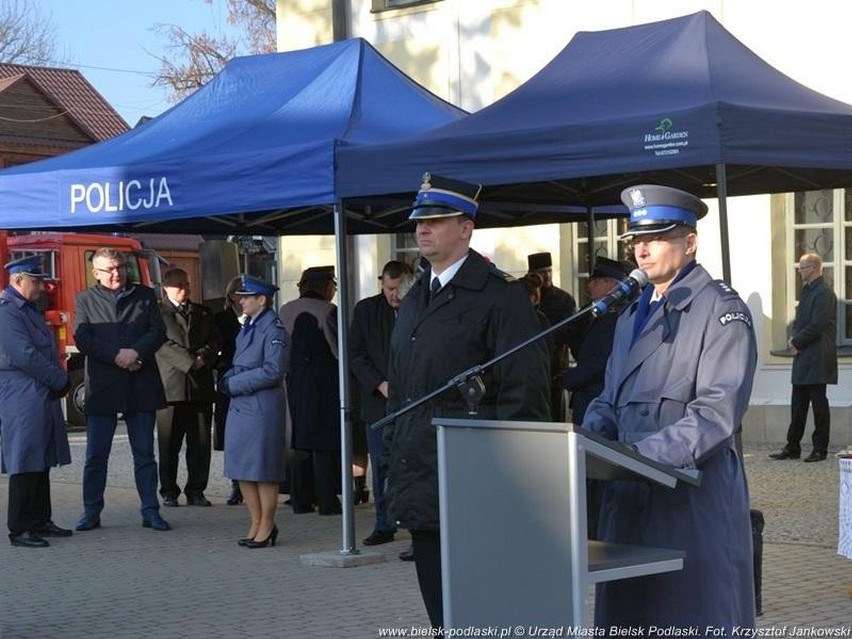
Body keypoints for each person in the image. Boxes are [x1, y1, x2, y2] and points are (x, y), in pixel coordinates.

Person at [582, 184, 757, 629]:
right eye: (635, 241)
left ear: (690, 243)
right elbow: (609, 398)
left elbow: (716, 412)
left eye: (655, 238)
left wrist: (640, 458)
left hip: (687, 499)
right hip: (628, 500)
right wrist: (582, 444)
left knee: (687, 616)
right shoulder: (628, 316)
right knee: (629, 616)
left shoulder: (720, 310)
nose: (642, 250)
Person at [385, 173, 550, 628]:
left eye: (437, 220)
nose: (422, 229)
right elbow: (403, 386)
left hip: (473, 480)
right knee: (442, 613)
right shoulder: (418, 295)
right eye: (420, 221)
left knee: (481, 615)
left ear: (466, 228)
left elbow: (524, 394)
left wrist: (507, 481)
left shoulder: (501, 297)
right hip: (420, 473)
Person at [74, 247, 170, 532]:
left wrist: (135, 353)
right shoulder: (85, 299)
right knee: (95, 455)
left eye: (119, 268)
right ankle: (91, 511)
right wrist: (117, 355)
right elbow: (83, 338)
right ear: (96, 273)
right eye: (109, 270)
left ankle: (150, 511)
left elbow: (157, 331)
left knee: (144, 454)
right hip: (103, 386)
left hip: (140, 383)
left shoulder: (144, 295)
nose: (116, 274)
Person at [0, 256, 73, 548]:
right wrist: (61, 380)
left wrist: (55, 380)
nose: (42, 286)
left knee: (41, 457)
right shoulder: (8, 312)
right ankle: (20, 528)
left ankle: (41, 519)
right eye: (36, 281)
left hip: (37, 389)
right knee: (25, 456)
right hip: (21, 391)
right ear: (18, 281)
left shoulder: (27, 309)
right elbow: (24, 355)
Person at [220, 275, 290, 548]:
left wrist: (234, 383)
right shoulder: (249, 325)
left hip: (261, 405)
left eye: (247, 296)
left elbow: (273, 371)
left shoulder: (273, 328)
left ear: (262, 299)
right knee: (242, 468)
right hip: (243, 404)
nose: (241, 300)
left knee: (263, 469)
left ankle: (267, 524)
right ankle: (255, 521)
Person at [349, 259, 414, 546]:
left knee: (414, 466)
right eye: (389, 288)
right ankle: (384, 523)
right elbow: (355, 354)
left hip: (415, 401)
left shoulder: (421, 306)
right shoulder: (366, 310)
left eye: (399, 288)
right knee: (381, 464)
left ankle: (416, 529)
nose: (394, 294)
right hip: (378, 402)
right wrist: (380, 383)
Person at [154, 267, 220, 507]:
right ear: (166, 287)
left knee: (200, 444)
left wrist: (204, 356)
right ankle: (169, 491)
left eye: (187, 284)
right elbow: (160, 343)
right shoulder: (156, 313)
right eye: (178, 285)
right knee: (169, 444)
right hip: (170, 387)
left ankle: (196, 490)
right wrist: (190, 361)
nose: (184, 289)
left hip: (200, 387)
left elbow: (215, 340)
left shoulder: (202, 312)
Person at [279, 266, 342, 516]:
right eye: (333, 285)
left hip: (292, 381)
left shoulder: (285, 310)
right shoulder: (329, 311)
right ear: (326, 286)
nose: (334, 290)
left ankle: (300, 499)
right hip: (323, 384)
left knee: (298, 442)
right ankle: (327, 500)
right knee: (324, 441)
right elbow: (338, 351)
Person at [769, 253, 838, 463]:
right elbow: (800, 321)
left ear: (814, 268)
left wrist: (795, 342)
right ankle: (793, 447)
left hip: (817, 355)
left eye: (803, 268)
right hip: (803, 355)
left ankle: (820, 449)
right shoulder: (809, 291)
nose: (799, 272)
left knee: (819, 406)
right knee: (797, 405)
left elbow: (817, 325)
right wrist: (793, 339)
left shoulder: (824, 293)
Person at [562, 256, 630, 425]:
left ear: (612, 284)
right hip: (586, 395)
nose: (589, 285)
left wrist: (570, 378)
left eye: (596, 281)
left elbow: (603, 361)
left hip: (599, 397)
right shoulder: (590, 311)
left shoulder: (618, 315)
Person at [527, 251, 576, 420]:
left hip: (554, 369)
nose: (546, 276)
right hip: (530, 370)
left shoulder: (563, 299)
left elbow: (568, 331)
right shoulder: (524, 297)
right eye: (541, 272)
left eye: (549, 271)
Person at [212, 276, 246, 505]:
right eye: (243, 294)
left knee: (251, 435)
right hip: (229, 381)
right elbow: (216, 348)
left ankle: (251, 481)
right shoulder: (220, 320)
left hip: (252, 382)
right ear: (233, 296)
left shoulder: (259, 319)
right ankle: (236, 485)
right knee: (231, 436)